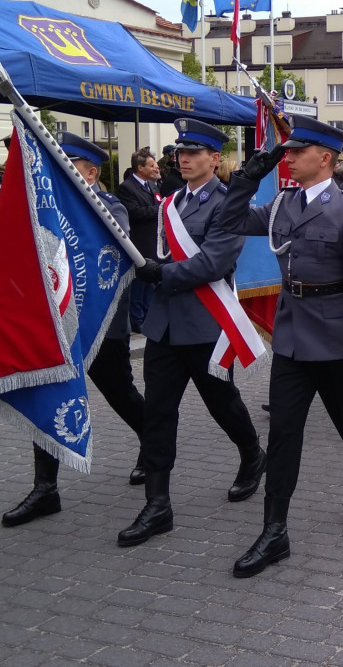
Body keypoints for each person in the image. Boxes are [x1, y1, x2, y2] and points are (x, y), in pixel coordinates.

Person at [217, 116, 343, 578]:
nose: (286, 158)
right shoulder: (282, 204)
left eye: (296, 151)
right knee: (284, 432)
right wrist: (246, 179)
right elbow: (228, 221)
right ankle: (275, 531)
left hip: (335, 337)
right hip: (292, 334)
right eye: (287, 151)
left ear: (324, 158)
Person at [118, 119, 266, 548]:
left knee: (223, 403)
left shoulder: (226, 204)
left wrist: (159, 273)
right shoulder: (170, 201)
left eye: (193, 152)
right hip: (164, 326)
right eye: (180, 152)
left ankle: (252, 453)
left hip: (205, 325)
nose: (183, 159)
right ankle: (157, 505)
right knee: (159, 413)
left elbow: (215, 262)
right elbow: (163, 254)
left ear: (214, 159)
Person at [1, 132, 148, 528]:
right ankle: (45, 488)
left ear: (91, 172)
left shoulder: (111, 207)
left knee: (120, 393)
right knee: (50, 393)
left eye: (67, 167)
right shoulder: (48, 207)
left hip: (101, 324)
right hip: (57, 323)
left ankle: (154, 443)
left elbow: (111, 255)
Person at [116, 149, 163, 333]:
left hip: (154, 241)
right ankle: (137, 319)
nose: (155, 168)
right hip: (139, 242)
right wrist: (160, 209)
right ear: (140, 167)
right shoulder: (127, 188)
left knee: (150, 283)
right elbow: (134, 212)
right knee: (139, 283)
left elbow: (157, 204)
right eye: (151, 165)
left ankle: (149, 316)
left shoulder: (153, 185)